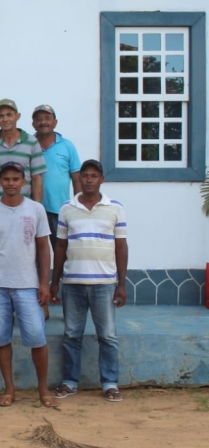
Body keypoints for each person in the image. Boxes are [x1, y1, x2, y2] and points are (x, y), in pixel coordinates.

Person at [0, 162, 56, 408]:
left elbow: (43, 247)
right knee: (1, 338)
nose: (11, 183)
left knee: (37, 337)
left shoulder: (36, 209)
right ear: (0, 182)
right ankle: (9, 388)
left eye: (15, 179)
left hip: (28, 285)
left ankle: (43, 388)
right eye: (6, 179)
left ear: (24, 182)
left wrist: (44, 283)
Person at [51, 159, 128, 403]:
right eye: (85, 176)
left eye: (94, 175)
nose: (89, 180)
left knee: (107, 335)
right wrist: (55, 281)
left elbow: (121, 246)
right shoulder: (67, 208)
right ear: (79, 179)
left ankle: (110, 383)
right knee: (72, 334)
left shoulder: (115, 208)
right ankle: (69, 382)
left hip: (105, 284)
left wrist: (122, 284)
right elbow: (60, 246)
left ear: (102, 179)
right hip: (72, 283)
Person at [31, 104, 82, 249]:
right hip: (33, 207)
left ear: (55, 122)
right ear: (33, 124)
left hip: (59, 209)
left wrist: (78, 206)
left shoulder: (67, 146)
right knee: (33, 252)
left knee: (61, 249)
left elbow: (76, 178)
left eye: (47, 118)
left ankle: (62, 273)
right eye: (39, 119)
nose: (43, 122)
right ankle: (40, 273)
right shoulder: (27, 144)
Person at [0, 99, 46, 206]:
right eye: (1, 116)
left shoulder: (32, 142)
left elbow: (36, 178)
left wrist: (37, 207)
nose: (5, 119)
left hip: (24, 205)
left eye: (9, 115)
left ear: (17, 116)